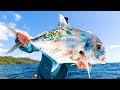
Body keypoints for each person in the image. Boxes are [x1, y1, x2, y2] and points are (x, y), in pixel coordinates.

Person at [15, 17, 92, 79]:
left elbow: (68, 65)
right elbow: (31, 48)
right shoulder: (49, 39)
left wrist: (78, 64)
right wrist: (24, 42)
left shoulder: (75, 45)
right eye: (61, 26)